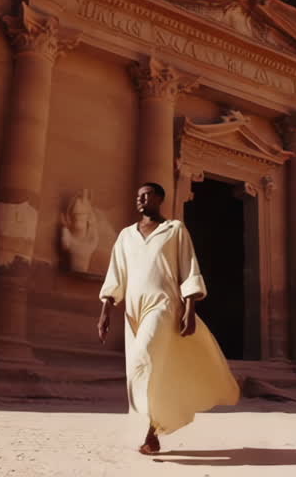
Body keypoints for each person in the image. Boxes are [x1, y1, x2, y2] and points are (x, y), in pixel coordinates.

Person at [97, 182, 240, 455]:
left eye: (146, 195)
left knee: (144, 359)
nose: (140, 199)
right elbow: (116, 274)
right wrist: (105, 310)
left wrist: (190, 309)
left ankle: (148, 432)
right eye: (137, 196)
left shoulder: (174, 230)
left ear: (159, 198)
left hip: (163, 304)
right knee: (143, 369)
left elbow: (188, 268)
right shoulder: (126, 235)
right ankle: (152, 430)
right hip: (132, 310)